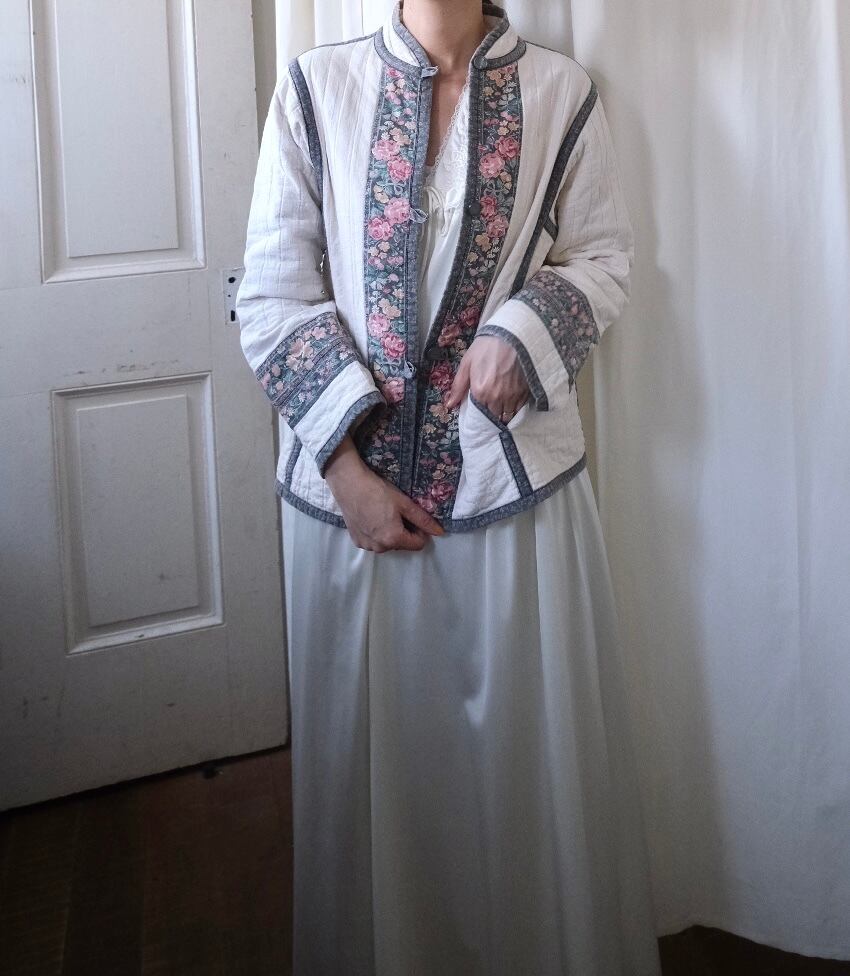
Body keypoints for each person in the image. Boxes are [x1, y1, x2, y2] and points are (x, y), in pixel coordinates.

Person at [236, 1, 663, 973]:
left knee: (517, 776)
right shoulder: (316, 88)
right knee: (372, 782)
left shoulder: (559, 91)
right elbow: (270, 291)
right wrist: (345, 473)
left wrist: (523, 334)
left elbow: (604, 256)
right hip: (349, 514)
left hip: (512, 492)